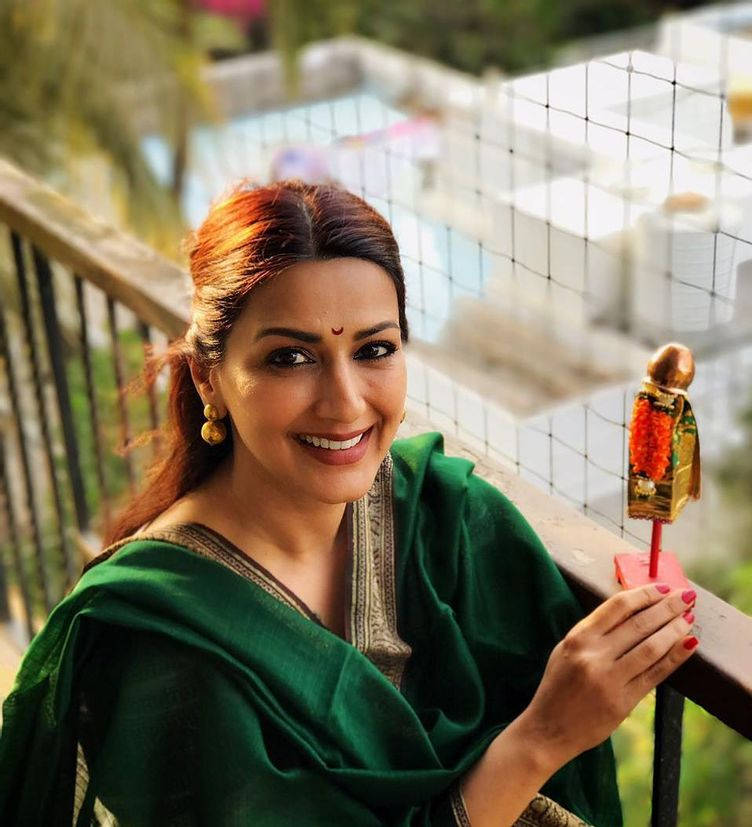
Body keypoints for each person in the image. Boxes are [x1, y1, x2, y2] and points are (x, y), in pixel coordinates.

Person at [0, 179, 699, 826]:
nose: (344, 403)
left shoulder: (450, 524)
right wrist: (540, 738)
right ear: (209, 378)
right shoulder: (160, 645)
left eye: (375, 349)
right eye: (290, 358)